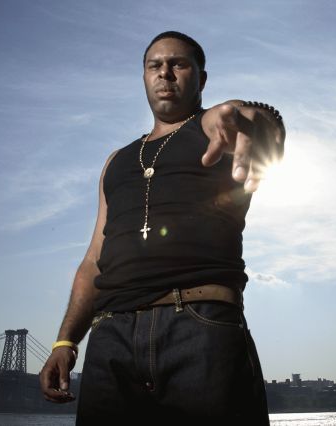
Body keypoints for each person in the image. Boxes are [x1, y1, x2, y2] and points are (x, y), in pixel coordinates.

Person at [39, 31, 285, 425]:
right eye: (155, 65)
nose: (165, 73)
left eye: (178, 64)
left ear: (202, 79)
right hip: (110, 339)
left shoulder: (215, 130)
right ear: (144, 76)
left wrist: (258, 120)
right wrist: (65, 341)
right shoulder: (115, 162)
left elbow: (253, 119)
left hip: (199, 326)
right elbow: (93, 260)